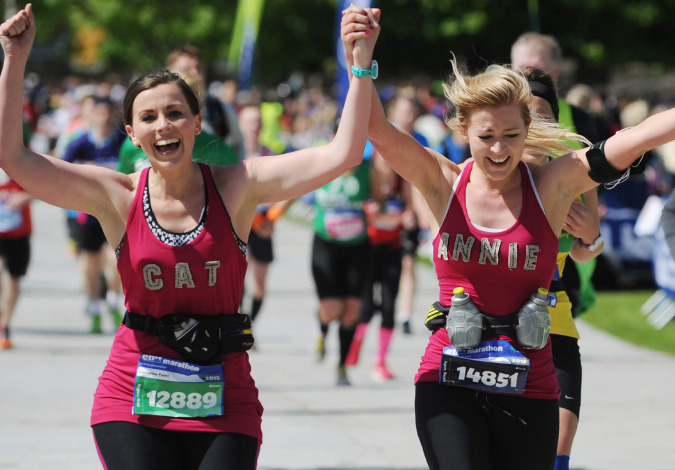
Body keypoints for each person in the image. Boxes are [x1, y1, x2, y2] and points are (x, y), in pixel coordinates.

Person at [0, 5, 379, 469]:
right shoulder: (115, 196)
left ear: (197, 124)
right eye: (149, 117)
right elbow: (15, 159)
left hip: (224, 395)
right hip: (133, 395)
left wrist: (358, 63)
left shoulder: (239, 185)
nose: (163, 125)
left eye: (175, 113)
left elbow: (343, 153)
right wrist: (15, 59)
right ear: (133, 135)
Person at [342, 5, 675, 469]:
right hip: (448, 380)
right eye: (487, 136)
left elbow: (636, 139)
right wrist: (360, 60)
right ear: (464, 132)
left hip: (530, 385)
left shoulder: (552, 184)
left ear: (529, 132)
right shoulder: (443, 182)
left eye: (512, 135)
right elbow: (374, 126)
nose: (499, 149)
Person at [520, 66, 604, 470]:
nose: (535, 125)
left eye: (543, 116)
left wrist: (590, 236)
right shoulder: (492, 171)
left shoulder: (577, 173)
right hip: (497, 320)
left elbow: (585, 253)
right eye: (526, 115)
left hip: (555, 313)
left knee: (558, 450)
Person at [511, 31, 605, 315]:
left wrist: (590, 235)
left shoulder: (581, 120)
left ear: (556, 71)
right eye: (518, 69)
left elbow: (599, 171)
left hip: (564, 258)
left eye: (537, 69)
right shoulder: (497, 126)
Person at [62, 94, 126, 334]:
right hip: (87, 213)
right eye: (99, 112)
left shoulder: (122, 141)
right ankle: (94, 305)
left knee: (116, 260)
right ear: (91, 114)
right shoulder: (79, 143)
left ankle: (112, 300)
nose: (104, 117)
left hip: (116, 212)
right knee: (91, 263)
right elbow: (61, 172)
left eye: (108, 112)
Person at [311, 152, 373, 386]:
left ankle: (341, 367)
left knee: (351, 312)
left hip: (357, 247)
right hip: (326, 244)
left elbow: (378, 197)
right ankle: (322, 329)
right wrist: (273, 215)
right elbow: (294, 191)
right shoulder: (322, 162)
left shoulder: (368, 168)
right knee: (331, 309)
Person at [344, 148, 406, 381]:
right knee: (367, 307)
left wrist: (399, 218)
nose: (387, 164)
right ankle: (355, 342)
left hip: (392, 251)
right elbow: (363, 214)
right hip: (367, 250)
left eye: (391, 159)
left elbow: (411, 215)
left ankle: (380, 361)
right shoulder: (366, 183)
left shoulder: (402, 185)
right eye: (382, 159)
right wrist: (395, 219)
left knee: (389, 307)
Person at [239, 103, 290, 328]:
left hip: (262, 222)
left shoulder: (269, 154)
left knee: (259, 284)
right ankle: (238, 328)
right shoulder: (232, 154)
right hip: (237, 221)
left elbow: (287, 190)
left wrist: (273, 217)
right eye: (249, 122)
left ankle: (249, 326)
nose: (254, 126)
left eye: (258, 121)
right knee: (235, 280)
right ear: (240, 124)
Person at [0, 169, 33, 350]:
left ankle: (5, 325)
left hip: (19, 234)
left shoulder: (18, 161)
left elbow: (43, 189)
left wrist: (25, 197)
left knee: (14, 280)